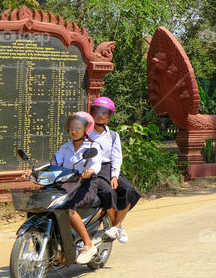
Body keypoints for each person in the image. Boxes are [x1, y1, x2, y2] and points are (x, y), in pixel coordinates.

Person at [25, 112, 102, 264]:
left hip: (86, 184)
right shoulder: (65, 147)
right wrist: (34, 171)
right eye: (71, 127)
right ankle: (48, 245)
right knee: (38, 204)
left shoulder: (93, 146)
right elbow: (52, 164)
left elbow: (96, 165)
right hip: (66, 183)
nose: (73, 131)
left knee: (69, 208)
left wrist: (90, 170)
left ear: (86, 129)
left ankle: (88, 245)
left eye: (77, 127)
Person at [87, 97, 141, 243]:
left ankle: (116, 226)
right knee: (107, 192)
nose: (100, 115)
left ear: (109, 116)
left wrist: (115, 176)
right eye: (97, 111)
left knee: (129, 190)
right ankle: (115, 225)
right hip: (94, 169)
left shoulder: (113, 135)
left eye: (104, 112)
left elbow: (117, 157)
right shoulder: (85, 134)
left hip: (109, 168)